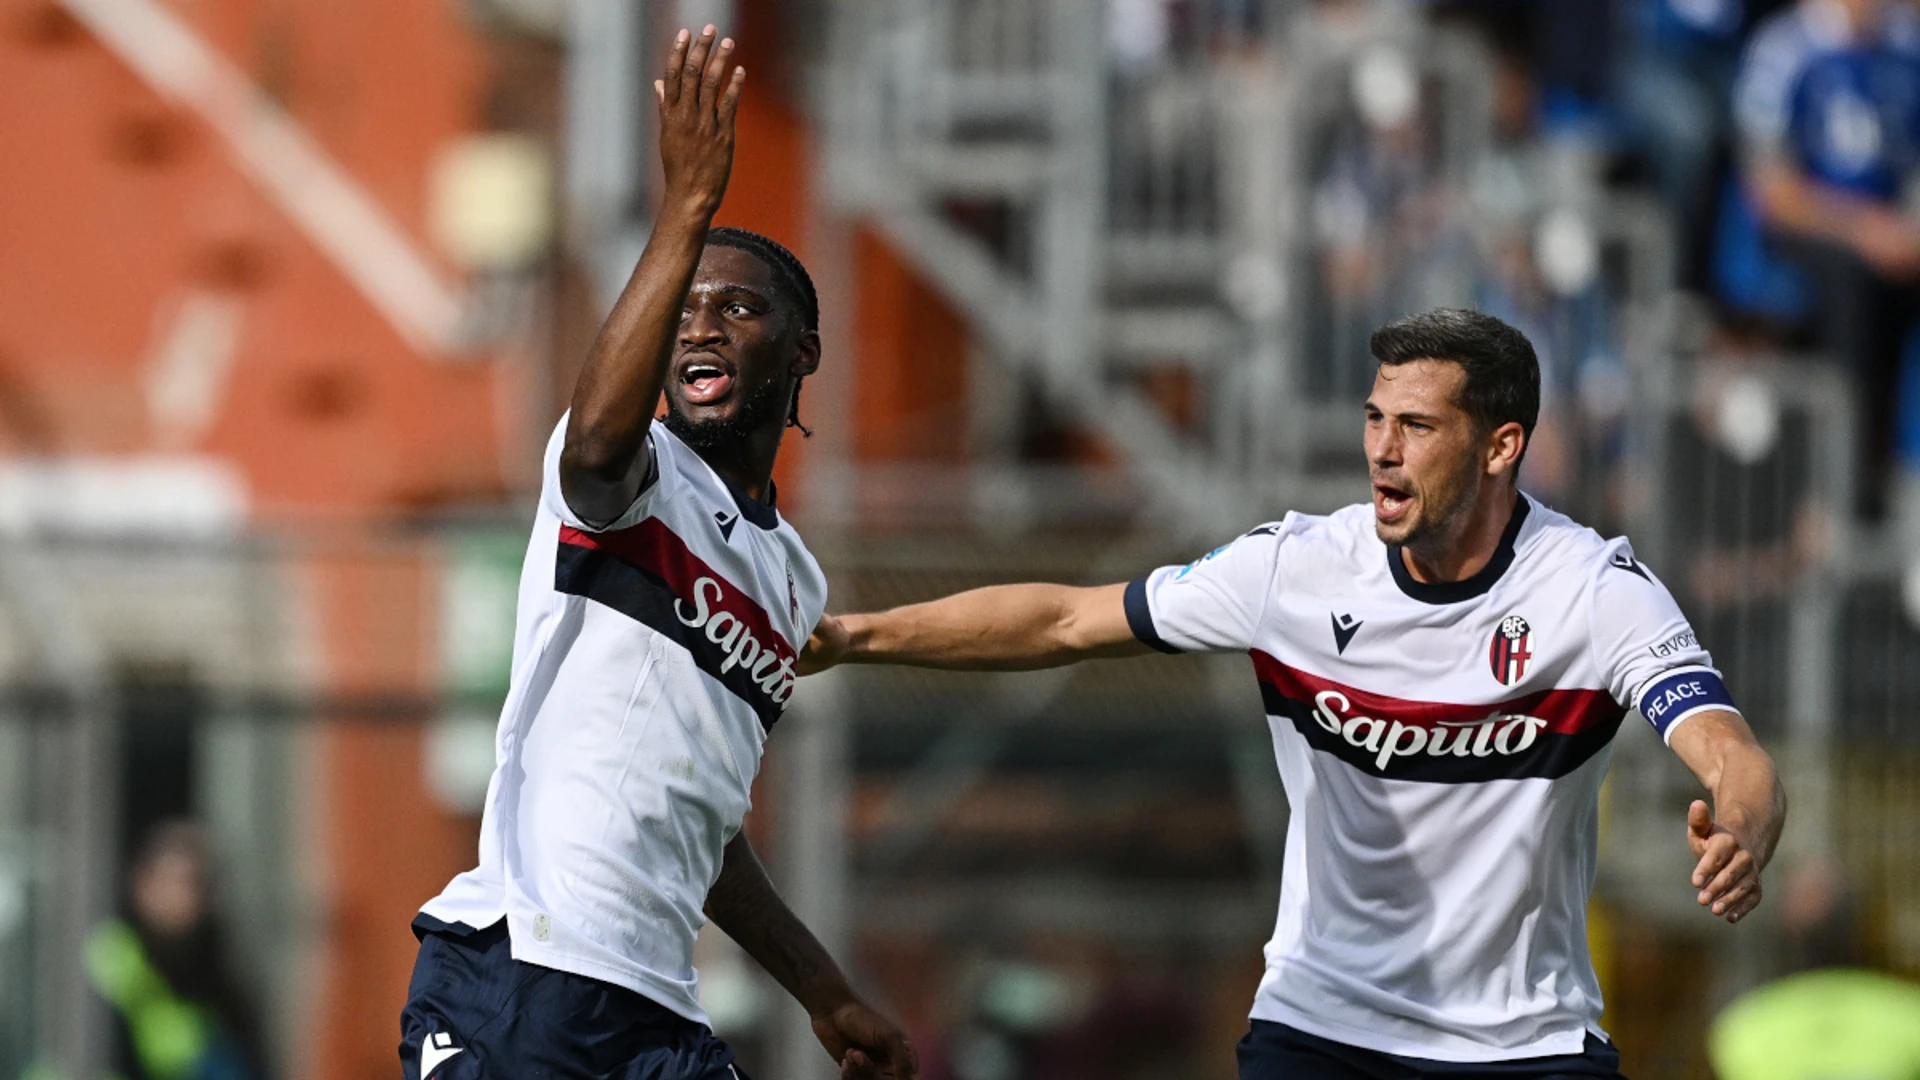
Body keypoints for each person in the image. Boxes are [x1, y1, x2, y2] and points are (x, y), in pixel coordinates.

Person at [804, 309, 1786, 1078]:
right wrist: (855, 634)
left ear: (1500, 447)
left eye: (1416, 425)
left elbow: (1729, 752)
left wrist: (1741, 827)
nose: (1382, 450)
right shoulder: (1295, 572)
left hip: (1521, 1045)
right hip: (1321, 1030)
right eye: (1374, 419)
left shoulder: (1590, 592)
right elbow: (1064, 619)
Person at [401, 27, 916, 1080]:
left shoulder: (793, 579)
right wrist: (683, 208)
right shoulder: (628, 474)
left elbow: (706, 824)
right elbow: (595, 441)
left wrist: (824, 990)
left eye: (738, 308)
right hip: (522, 979)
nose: (701, 329)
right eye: (683, 310)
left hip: (656, 1015)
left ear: (803, 350)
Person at [86, 820, 262, 1080]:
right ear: (141, 882)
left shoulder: (219, 977)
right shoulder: (107, 960)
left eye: (196, 885)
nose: (184, 898)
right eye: (174, 881)